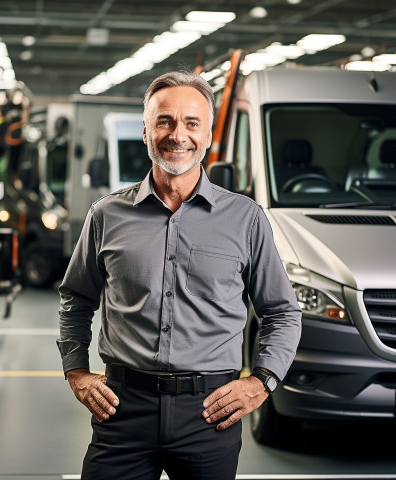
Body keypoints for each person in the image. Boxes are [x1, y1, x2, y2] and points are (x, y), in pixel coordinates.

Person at [57, 70, 302, 480]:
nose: (177, 135)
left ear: (207, 136)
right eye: (165, 121)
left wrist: (262, 381)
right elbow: (76, 299)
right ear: (146, 131)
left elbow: (281, 312)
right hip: (122, 407)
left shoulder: (246, 219)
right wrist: (76, 370)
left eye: (192, 123)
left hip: (209, 413)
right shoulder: (106, 215)